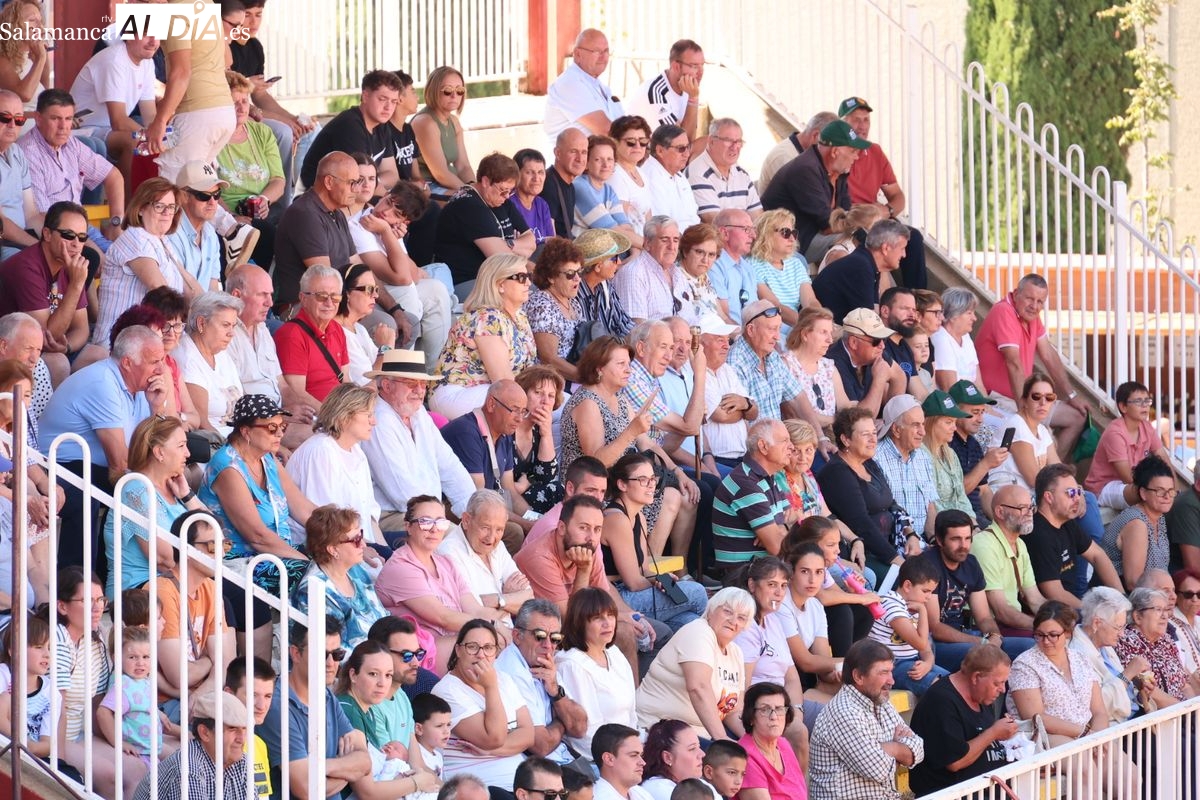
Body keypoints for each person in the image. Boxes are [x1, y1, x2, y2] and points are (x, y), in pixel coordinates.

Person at [39, 326, 172, 566]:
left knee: (164, 483)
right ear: (128, 363)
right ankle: (81, 579)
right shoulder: (102, 383)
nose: (161, 369)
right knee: (118, 491)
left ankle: (130, 573)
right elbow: (120, 462)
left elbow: (152, 447)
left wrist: (156, 410)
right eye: (154, 362)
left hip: (94, 466)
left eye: (162, 360)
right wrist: (155, 478)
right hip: (56, 465)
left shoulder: (142, 386)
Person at [198, 394, 315, 651]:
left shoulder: (267, 459)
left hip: (276, 554)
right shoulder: (228, 468)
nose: (280, 434)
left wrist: (342, 536)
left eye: (282, 426)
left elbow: (305, 510)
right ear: (246, 431)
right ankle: (305, 651)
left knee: (340, 561)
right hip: (241, 561)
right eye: (271, 428)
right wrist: (307, 562)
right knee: (316, 579)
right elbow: (256, 536)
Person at [514, 494, 658, 673]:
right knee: (624, 633)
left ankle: (635, 689)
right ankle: (629, 691)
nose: (591, 537)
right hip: (546, 635)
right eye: (583, 528)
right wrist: (583, 570)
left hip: (581, 620)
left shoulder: (587, 546)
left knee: (657, 633)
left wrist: (625, 616)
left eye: (597, 530)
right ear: (561, 528)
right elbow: (571, 618)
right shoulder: (540, 557)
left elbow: (603, 599)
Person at [375, 495, 507, 671]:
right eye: (425, 522)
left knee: (502, 642)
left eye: (440, 522)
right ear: (408, 526)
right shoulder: (401, 567)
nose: (434, 529)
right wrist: (492, 627)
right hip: (417, 655)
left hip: (454, 643)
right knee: (483, 644)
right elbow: (444, 618)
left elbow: (475, 609)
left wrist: (502, 628)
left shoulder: (446, 563)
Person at [54, 567, 145, 798]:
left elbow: (98, 701)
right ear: (62, 606)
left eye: (101, 600)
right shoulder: (58, 638)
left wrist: (117, 742)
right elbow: (57, 709)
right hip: (56, 737)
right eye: (87, 601)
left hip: (82, 733)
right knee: (109, 774)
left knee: (138, 769)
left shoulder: (97, 639)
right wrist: (60, 762)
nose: (97, 608)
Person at [87, 177, 201, 355]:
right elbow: (161, 291)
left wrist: (210, 313)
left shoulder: (163, 241)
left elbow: (191, 288)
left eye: (171, 207)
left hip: (150, 340)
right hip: (119, 346)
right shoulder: (135, 237)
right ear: (140, 208)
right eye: (159, 206)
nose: (167, 212)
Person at [260, 617, 373, 797]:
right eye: (321, 654)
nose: (330, 663)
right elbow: (306, 789)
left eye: (337, 655)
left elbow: (365, 762)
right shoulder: (276, 705)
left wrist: (321, 767)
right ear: (296, 653)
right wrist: (347, 770)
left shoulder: (326, 696)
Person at [362, 350, 476, 528]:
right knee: (459, 539)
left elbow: (449, 465)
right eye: (410, 383)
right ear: (387, 386)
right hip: (395, 516)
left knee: (501, 531)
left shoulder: (418, 412)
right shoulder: (379, 420)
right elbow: (402, 493)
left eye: (423, 384)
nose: (419, 391)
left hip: (428, 512)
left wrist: (472, 512)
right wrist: (437, 519)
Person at [974, 274, 1088, 451]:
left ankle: (1054, 467)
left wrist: (1071, 395)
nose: (1034, 306)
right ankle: (1047, 467)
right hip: (999, 399)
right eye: (1029, 298)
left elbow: (1048, 354)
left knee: (1077, 416)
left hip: (1027, 397)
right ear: (1016, 294)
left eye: (1040, 301)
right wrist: (1026, 413)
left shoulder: (1031, 316)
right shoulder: (1004, 311)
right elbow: (1013, 363)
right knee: (1042, 439)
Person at [103, 414, 207, 597]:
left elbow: (215, 533)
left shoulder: (175, 488)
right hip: (138, 593)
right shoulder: (135, 489)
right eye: (181, 446)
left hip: (177, 583)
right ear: (159, 452)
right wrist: (206, 557)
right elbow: (164, 559)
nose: (188, 454)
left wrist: (188, 496)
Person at [807, 639, 924, 800]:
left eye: (891, 672)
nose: (891, 681)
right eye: (883, 673)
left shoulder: (880, 700)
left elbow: (918, 749)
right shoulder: (844, 712)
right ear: (858, 677)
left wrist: (885, 749)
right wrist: (898, 749)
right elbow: (878, 770)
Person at [603, 453, 708, 629]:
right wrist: (656, 585)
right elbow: (633, 582)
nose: (651, 485)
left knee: (691, 621)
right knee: (697, 592)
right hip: (616, 597)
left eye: (653, 479)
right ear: (622, 484)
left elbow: (644, 569)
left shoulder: (639, 517)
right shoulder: (616, 519)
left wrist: (661, 579)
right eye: (643, 480)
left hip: (632, 590)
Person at [635, 587, 753, 740]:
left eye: (741, 618)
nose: (733, 621)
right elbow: (698, 687)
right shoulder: (699, 631)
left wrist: (753, 742)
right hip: (660, 729)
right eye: (727, 611)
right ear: (711, 611)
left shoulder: (736, 652)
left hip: (697, 735)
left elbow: (734, 711)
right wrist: (722, 739)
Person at [431, 253, 536, 420]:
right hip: (457, 392)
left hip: (489, 390)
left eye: (529, 276)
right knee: (518, 404)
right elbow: (503, 380)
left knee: (559, 405)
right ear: (500, 284)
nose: (529, 283)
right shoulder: (487, 317)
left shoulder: (520, 317)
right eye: (522, 278)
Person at [432, 620, 534, 791]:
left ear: (495, 652)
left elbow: (528, 735)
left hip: (519, 780)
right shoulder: (447, 690)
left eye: (488, 648)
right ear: (458, 650)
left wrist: (490, 751)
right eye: (472, 647)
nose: (481, 655)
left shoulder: (504, 679)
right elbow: (493, 738)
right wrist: (491, 687)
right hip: (479, 787)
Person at [907, 644, 1016, 795]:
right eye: (997, 683)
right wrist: (993, 733)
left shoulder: (981, 696)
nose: (1003, 689)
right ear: (976, 677)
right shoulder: (941, 701)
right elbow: (955, 762)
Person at [21, 88, 125, 245]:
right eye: (55, 118)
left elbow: (113, 175)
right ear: (38, 119)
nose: (63, 126)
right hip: (57, 236)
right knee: (108, 258)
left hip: (82, 228)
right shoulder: (29, 153)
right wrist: (93, 249)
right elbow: (44, 219)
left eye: (68, 118)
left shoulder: (71, 143)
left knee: (131, 254)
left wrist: (116, 222)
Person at [495, 600, 589, 768]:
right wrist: (562, 721)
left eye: (555, 638)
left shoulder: (544, 664)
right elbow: (541, 745)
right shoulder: (511, 671)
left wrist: (556, 693)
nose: (548, 645)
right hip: (535, 770)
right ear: (517, 636)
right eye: (539, 636)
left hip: (563, 759)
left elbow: (579, 727)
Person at [817, 406, 906, 578]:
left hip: (891, 544)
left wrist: (910, 534)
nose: (873, 439)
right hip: (862, 552)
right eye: (865, 434)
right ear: (846, 439)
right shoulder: (837, 473)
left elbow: (891, 502)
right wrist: (896, 559)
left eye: (874, 433)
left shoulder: (868, 462)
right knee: (906, 578)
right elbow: (861, 524)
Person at [439, 380, 532, 543]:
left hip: (481, 505)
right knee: (515, 532)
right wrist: (525, 524)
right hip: (451, 507)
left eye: (523, 412)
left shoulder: (504, 434)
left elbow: (510, 491)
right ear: (491, 404)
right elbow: (475, 499)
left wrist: (535, 520)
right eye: (514, 410)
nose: (519, 419)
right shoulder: (466, 432)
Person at [0, 201, 91, 366]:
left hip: (44, 346)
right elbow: (46, 337)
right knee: (58, 363)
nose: (76, 244)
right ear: (47, 234)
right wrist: (76, 285)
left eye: (82, 237)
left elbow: (81, 328)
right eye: (68, 235)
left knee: (97, 354)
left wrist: (67, 347)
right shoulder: (27, 267)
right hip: (14, 349)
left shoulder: (71, 265)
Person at [760, 119, 867, 258]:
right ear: (835, 152)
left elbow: (846, 212)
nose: (856, 157)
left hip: (810, 235)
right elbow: (829, 226)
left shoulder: (838, 171)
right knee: (859, 241)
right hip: (788, 241)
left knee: (875, 235)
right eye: (853, 151)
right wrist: (864, 221)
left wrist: (864, 222)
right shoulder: (806, 170)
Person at [556, 587, 637, 766]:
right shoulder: (571, 664)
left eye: (610, 615)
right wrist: (624, 757)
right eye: (597, 618)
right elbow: (587, 736)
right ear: (579, 623)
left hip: (628, 749)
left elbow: (631, 713)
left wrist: (635, 747)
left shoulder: (614, 652)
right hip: (601, 760)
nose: (607, 623)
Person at [1025, 463, 1123, 608]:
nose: (1077, 498)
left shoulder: (1066, 523)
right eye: (1070, 493)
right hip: (1052, 614)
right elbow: (1054, 593)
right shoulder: (1039, 535)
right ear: (1049, 497)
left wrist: (1122, 598)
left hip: (1070, 607)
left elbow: (1097, 555)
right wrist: (1090, 612)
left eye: (1078, 492)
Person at [293, 504, 387, 651]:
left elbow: (382, 617)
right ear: (333, 549)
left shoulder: (356, 570)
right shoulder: (315, 590)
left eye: (361, 535)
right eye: (356, 539)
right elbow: (336, 650)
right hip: (354, 662)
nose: (363, 545)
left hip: (382, 654)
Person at [434, 152, 535, 289]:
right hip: (469, 282)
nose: (507, 196)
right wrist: (522, 257)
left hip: (497, 278)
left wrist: (508, 244)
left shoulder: (500, 200)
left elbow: (531, 242)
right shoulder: (468, 205)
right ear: (486, 182)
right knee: (536, 292)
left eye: (510, 191)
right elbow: (502, 259)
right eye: (503, 190)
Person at [272, 150, 358, 310]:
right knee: (385, 321)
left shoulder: (337, 213)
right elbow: (326, 283)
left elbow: (358, 267)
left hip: (335, 301)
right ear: (329, 182)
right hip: (304, 308)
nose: (357, 190)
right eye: (351, 183)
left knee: (395, 318)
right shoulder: (305, 214)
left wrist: (393, 307)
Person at [216, 69, 284, 269]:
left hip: (263, 210)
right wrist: (231, 218)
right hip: (225, 212)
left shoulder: (262, 132)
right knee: (261, 232)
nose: (241, 108)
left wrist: (263, 200)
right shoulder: (213, 135)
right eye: (233, 103)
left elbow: (278, 180)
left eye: (244, 101)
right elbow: (209, 189)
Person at [300, 69, 411, 190]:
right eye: (382, 99)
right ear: (365, 96)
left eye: (394, 102)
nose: (388, 107)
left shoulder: (382, 126)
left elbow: (392, 175)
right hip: (319, 196)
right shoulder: (350, 126)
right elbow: (357, 185)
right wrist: (374, 184)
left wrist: (372, 182)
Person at [131, 691, 252, 800]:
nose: (241, 739)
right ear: (204, 733)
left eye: (244, 729)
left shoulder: (241, 762)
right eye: (232, 729)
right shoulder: (189, 769)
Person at [1072, 587, 1167, 723]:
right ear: (1097, 623)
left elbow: (1125, 697)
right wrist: (1127, 674)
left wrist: (1140, 691)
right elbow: (1094, 707)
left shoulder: (1104, 644)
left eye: (1124, 627)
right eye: (1118, 627)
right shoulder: (1076, 654)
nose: (1122, 634)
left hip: (1134, 720)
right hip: (1114, 728)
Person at [438, 490, 533, 622]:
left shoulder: (498, 546)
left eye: (499, 530)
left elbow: (529, 601)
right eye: (485, 528)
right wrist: (506, 597)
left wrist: (498, 599)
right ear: (466, 520)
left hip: (508, 631)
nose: (492, 538)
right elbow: (473, 613)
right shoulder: (448, 553)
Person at [711, 419, 796, 568]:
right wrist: (777, 533)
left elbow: (794, 518)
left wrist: (782, 529)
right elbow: (777, 547)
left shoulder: (769, 477)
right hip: (746, 575)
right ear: (763, 446)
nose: (792, 447)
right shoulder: (746, 484)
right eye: (784, 441)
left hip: (768, 569)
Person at [970, 485, 1048, 635]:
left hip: (1012, 623)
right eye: (1022, 508)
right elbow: (1001, 612)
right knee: (1047, 640)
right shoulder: (984, 545)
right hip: (991, 629)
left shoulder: (1020, 544)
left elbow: (1035, 599)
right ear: (1000, 512)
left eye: (1030, 507)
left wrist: (1059, 618)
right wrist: (1044, 628)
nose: (1029, 513)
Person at [97, 625, 179, 765]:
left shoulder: (142, 680)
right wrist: (118, 742)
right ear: (116, 658)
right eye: (132, 657)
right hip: (138, 752)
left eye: (146, 657)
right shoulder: (123, 685)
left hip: (149, 748)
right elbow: (103, 713)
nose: (140, 663)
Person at [866, 555, 947, 695]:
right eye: (925, 591)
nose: (929, 597)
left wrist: (928, 663)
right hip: (890, 664)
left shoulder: (914, 605)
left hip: (912, 660)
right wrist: (923, 611)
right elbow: (920, 644)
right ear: (908, 585)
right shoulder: (891, 604)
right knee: (940, 688)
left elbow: (926, 649)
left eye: (931, 592)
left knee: (951, 682)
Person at [1087, 380, 1172, 511]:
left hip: (1130, 484)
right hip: (1104, 487)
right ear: (1123, 407)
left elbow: (1164, 459)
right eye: (1138, 401)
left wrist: (1173, 489)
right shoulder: (1115, 432)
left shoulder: (1147, 427)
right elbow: (1127, 477)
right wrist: (1157, 488)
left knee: (1158, 491)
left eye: (1147, 401)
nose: (1145, 406)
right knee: (1146, 492)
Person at [273, 264, 350, 405]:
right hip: (317, 415)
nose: (329, 303)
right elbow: (297, 395)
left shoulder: (337, 329)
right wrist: (333, 416)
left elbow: (345, 380)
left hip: (341, 409)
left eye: (335, 297)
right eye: (321, 296)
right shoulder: (291, 335)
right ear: (303, 298)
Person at [810, 218, 907, 325]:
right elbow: (866, 323)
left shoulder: (866, 263)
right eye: (902, 248)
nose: (904, 255)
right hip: (820, 329)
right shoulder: (860, 267)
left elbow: (873, 313)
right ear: (885, 248)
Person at [726, 301, 810, 422]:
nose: (777, 337)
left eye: (779, 329)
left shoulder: (772, 355)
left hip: (777, 432)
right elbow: (742, 420)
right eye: (772, 329)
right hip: (756, 434)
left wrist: (819, 433)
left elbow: (798, 396)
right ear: (751, 330)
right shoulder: (735, 362)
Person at [1101, 455, 1175, 590]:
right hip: (1121, 598)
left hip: (1153, 596)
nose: (1167, 496)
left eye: (1171, 491)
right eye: (1160, 491)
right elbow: (1134, 583)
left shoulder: (1159, 518)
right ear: (1143, 493)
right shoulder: (1137, 523)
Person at [176, 291, 245, 436]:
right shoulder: (187, 358)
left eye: (233, 326)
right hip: (214, 442)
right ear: (201, 323)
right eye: (225, 325)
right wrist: (234, 447)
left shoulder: (222, 354)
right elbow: (202, 423)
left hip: (238, 437)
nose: (231, 333)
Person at [1116, 587, 1200, 702]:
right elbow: (1149, 690)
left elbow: (1184, 685)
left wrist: (1193, 708)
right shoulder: (1127, 641)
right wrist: (1185, 709)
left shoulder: (1166, 640)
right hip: (1161, 711)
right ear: (1138, 617)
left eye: (1166, 610)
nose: (1165, 616)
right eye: (1158, 609)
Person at [872, 394, 938, 538]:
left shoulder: (923, 457)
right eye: (915, 425)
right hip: (893, 542)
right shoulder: (875, 458)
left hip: (923, 540)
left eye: (923, 424)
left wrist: (932, 539)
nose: (923, 432)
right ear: (896, 430)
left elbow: (930, 506)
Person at [696, 314, 755, 470]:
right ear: (701, 344)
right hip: (716, 461)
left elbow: (754, 412)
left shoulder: (727, 370)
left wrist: (745, 403)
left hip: (744, 458)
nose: (727, 346)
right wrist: (745, 408)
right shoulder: (694, 372)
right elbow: (720, 415)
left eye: (727, 340)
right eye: (720, 340)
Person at [544, 29, 625, 140]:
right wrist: (636, 143)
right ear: (578, 54)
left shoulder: (598, 85)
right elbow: (606, 130)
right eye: (597, 51)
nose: (603, 57)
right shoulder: (570, 83)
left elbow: (623, 126)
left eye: (606, 51)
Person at [989, 372, 1061, 494]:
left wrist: (1072, 488)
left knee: (1084, 496)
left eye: (1049, 397)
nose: (1043, 403)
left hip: (1028, 496)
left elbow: (1058, 469)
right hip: (1007, 497)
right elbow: (1034, 479)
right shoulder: (1017, 426)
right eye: (1036, 397)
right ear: (1024, 401)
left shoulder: (1042, 430)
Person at [735, 682, 808, 800]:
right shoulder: (745, 757)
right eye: (765, 710)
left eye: (779, 709)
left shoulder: (783, 744)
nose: (774, 717)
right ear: (751, 717)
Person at [0, 614, 59, 761]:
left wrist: (28, 747)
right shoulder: (2, 675)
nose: (47, 654)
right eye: (39, 647)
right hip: (5, 752)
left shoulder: (51, 692)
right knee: (5, 698)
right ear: (14, 650)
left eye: (50, 648)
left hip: (33, 757)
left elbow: (48, 745)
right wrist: (21, 744)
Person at [410, 66, 474, 200]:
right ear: (433, 91)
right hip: (426, 187)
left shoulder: (454, 121)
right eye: (447, 90)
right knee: (471, 203)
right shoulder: (425, 122)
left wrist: (474, 187)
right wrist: (472, 194)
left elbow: (463, 166)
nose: (454, 95)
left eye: (459, 90)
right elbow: (441, 174)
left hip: (448, 184)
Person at [747, 210, 815, 333]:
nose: (792, 239)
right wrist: (810, 326)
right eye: (785, 232)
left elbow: (810, 301)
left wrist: (820, 321)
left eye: (794, 233)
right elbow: (775, 306)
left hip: (797, 325)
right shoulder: (752, 264)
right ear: (766, 234)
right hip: (771, 326)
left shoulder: (795, 263)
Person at [782, 306, 849, 431]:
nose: (830, 340)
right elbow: (796, 415)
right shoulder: (785, 366)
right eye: (823, 332)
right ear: (805, 334)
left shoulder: (828, 367)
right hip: (802, 438)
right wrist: (836, 419)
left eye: (830, 333)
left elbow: (845, 408)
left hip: (832, 436)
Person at [947, 379, 1005, 524]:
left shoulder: (974, 444)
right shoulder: (947, 444)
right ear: (957, 411)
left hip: (978, 515)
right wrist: (986, 464)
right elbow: (955, 493)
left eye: (982, 412)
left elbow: (983, 491)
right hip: (958, 518)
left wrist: (1000, 524)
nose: (980, 419)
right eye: (975, 413)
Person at [528, 238, 585, 382]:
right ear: (551, 277)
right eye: (570, 274)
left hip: (572, 377)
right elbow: (549, 359)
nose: (577, 279)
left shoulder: (573, 302)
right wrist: (586, 378)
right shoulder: (542, 304)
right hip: (549, 382)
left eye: (579, 272)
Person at [610, 216, 683, 323]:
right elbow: (636, 328)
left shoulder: (677, 273)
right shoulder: (634, 274)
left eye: (675, 240)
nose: (672, 247)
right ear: (648, 243)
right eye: (664, 240)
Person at [165, 160, 225, 292]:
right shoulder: (170, 232)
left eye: (217, 195)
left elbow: (213, 287)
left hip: (202, 304)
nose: (212, 202)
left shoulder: (210, 233)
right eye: (203, 196)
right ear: (183, 196)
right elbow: (182, 293)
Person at [687, 118, 761, 223]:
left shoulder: (741, 174)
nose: (734, 147)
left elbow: (759, 220)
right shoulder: (698, 173)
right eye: (728, 141)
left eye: (739, 141)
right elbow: (716, 224)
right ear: (711, 141)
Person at [513, 366, 566, 512]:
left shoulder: (539, 430)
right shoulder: (508, 425)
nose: (545, 401)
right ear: (523, 393)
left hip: (525, 495)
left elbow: (547, 476)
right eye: (538, 393)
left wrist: (546, 434)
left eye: (551, 396)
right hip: (501, 496)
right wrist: (520, 487)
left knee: (557, 490)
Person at [333, 262, 394, 385]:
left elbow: (386, 370)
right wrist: (386, 348)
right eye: (369, 289)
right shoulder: (337, 332)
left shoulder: (359, 328)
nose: (375, 295)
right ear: (347, 293)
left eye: (376, 289)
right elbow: (366, 385)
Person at [574, 134, 641, 245]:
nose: (606, 165)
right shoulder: (580, 186)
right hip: (583, 252)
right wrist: (648, 246)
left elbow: (625, 226)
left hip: (607, 250)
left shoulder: (608, 190)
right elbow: (612, 231)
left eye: (609, 159)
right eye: (598, 160)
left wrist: (636, 249)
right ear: (586, 163)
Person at [921, 389, 975, 516]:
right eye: (949, 422)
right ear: (930, 423)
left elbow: (961, 496)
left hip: (960, 521)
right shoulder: (920, 455)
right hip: (940, 523)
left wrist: (972, 521)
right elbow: (932, 503)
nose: (954, 428)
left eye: (955, 422)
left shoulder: (951, 454)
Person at [575, 228, 636, 339]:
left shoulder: (605, 285)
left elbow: (623, 325)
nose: (619, 262)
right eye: (614, 258)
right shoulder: (574, 294)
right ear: (598, 267)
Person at [757, 111, 836, 194]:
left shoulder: (808, 155)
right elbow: (805, 196)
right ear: (815, 136)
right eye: (830, 145)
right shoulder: (785, 157)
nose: (832, 153)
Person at [642, 125, 700, 229]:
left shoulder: (679, 176)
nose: (687, 154)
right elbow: (662, 227)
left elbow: (693, 217)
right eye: (681, 149)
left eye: (688, 147)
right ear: (660, 151)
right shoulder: (650, 177)